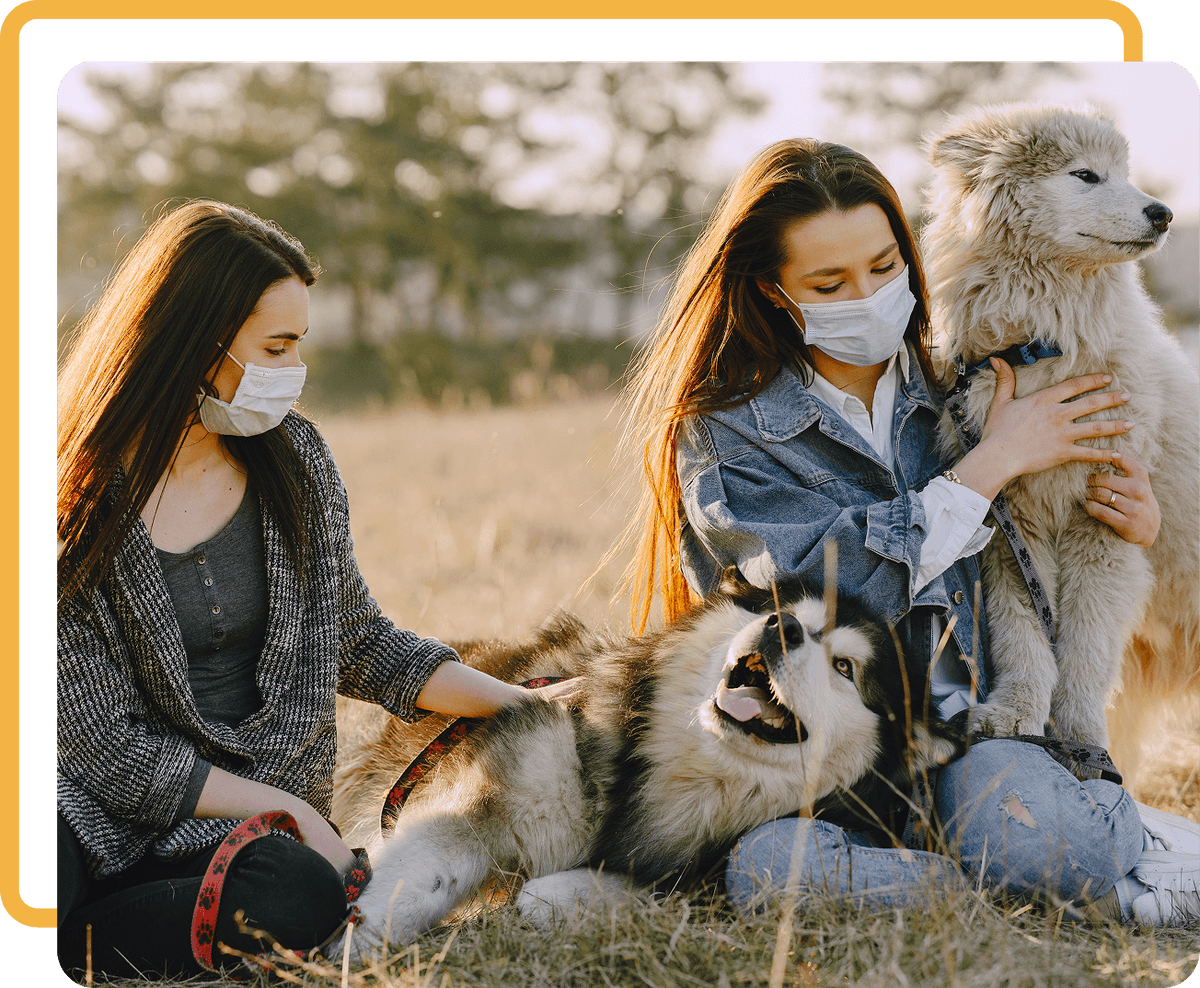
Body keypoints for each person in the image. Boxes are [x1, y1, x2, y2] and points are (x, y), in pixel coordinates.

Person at [617, 139, 1199, 927]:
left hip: (971, 733)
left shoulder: (963, 367)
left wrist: (1139, 517)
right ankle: (1042, 880)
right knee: (770, 871)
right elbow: (816, 588)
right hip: (824, 751)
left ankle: (1055, 848)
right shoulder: (726, 432)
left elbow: (1048, 548)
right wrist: (986, 468)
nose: (867, 295)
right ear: (774, 291)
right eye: (830, 283)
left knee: (1054, 847)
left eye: (886, 268)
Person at [55, 200, 548, 979]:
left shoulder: (295, 462)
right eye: (275, 347)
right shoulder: (65, 499)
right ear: (194, 342)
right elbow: (104, 751)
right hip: (90, 812)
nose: (293, 373)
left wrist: (527, 702)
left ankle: (76, 943)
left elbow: (361, 642)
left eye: (298, 347)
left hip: (243, 837)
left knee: (295, 895)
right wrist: (283, 810)